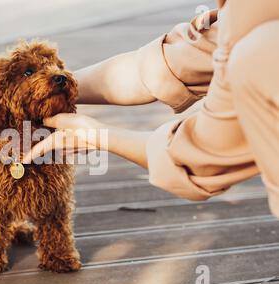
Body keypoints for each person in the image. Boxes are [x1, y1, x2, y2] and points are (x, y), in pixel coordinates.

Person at [22, 0, 279, 217]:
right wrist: (55, 88)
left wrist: (96, 135)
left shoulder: (260, 47)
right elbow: (174, 64)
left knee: (253, 53)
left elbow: (202, 158)